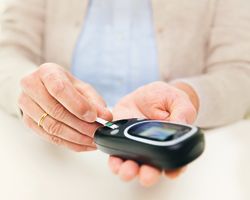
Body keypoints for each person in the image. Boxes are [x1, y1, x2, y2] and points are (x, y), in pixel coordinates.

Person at [0, 0, 250, 187]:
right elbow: (8, 52)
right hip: (44, 170)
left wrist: (186, 95)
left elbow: (239, 73)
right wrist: (31, 90)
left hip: (196, 180)